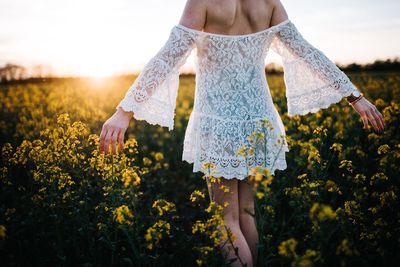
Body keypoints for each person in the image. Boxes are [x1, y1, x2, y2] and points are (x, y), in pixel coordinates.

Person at [99, 0, 386, 266]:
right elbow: (306, 52)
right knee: (246, 214)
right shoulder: (268, 2)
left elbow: (169, 56)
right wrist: (355, 97)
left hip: (219, 121)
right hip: (259, 121)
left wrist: (125, 111)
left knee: (225, 220)